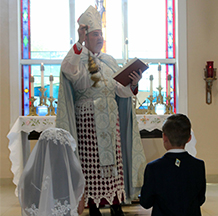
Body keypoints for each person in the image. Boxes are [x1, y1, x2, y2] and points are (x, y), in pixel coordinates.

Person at [56, 5, 146, 216]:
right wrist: (78, 43)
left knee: (113, 165)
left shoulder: (109, 61)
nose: (99, 38)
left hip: (110, 119)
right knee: (91, 165)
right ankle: (93, 205)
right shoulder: (77, 59)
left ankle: (115, 202)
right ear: (85, 37)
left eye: (101, 34)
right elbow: (67, 70)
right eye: (95, 34)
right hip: (88, 120)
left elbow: (120, 92)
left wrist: (133, 84)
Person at [140, 114, 206, 216]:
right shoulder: (198, 165)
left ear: (164, 137)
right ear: (189, 138)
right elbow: (200, 199)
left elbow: (146, 202)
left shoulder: (153, 168)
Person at [18, 128, 85, 216]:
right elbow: (80, 209)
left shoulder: (28, 176)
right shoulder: (75, 175)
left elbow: (25, 207)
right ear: (66, 150)